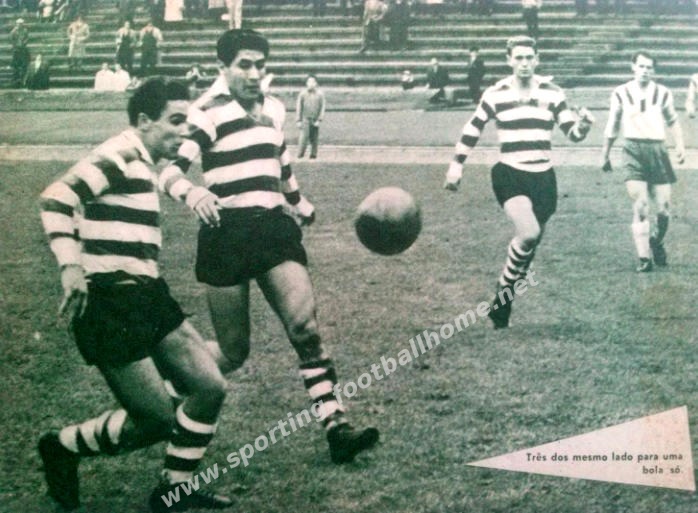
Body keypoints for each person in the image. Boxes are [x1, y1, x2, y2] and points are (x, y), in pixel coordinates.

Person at [159, 29, 379, 464]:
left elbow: (281, 162)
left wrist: (299, 202)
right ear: (223, 67)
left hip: (273, 230)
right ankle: (169, 387)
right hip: (225, 234)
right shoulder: (206, 112)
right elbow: (167, 172)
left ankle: (336, 427)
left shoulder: (274, 107)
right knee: (234, 350)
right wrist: (194, 193)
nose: (254, 73)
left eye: (260, 65)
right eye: (244, 64)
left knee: (306, 329)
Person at [37, 78, 233, 513]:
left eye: (187, 122)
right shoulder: (120, 154)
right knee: (156, 419)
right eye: (175, 121)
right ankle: (62, 446)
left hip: (150, 294)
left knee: (209, 386)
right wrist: (71, 266)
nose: (183, 131)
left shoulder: (144, 162)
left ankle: (174, 489)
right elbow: (56, 199)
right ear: (144, 120)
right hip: (108, 302)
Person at [444, 36, 593, 328]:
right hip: (510, 173)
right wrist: (456, 165)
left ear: (537, 59)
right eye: (519, 58)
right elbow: (473, 128)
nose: (524, 63)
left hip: (544, 178)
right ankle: (503, 293)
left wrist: (584, 124)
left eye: (529, 58)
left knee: (529, 250)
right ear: (509, 60)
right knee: (528, 233)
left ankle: (502, 304)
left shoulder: (553, 93)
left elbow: (572, 133)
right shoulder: (495, 93)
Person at [601, 51, 685, 272]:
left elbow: (673, 121)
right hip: (632, 150)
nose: (645, 71)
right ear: (633, 67)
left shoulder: (663, 93)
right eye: (641, 66)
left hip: (658, 151)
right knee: (641, 205)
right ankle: (644, 258)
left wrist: (680, 145)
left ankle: (656, 241)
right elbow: (613, 124)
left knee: (664, 209)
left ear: (653, 70)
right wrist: (605, 154)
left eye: (649, 67)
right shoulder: (620, 92)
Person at [296, 74, 326, 159]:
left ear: (316, 83)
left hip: (315, 119)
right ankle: (300, 154)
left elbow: (322, 107)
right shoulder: (302, 94)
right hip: (305, 118)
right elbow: (299, 107)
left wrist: (319, 120)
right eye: (309, 82)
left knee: (314, 138)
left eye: (313, 82)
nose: (311, 84)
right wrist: (298, 120)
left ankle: (313, 155)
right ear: (306, 83)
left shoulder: (320, 94)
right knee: (303, 137)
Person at [10, 18, 30, 87]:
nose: (20, 25)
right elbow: (11, 40)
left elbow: (27, 38)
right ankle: (15, 80)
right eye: (18, 24)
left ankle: (23, 80)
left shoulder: (25, 31)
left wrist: (24, 43)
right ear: (16, 24)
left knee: (24, 65)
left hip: (23, 50)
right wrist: (16, 45)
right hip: (16, 50)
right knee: (16, 66)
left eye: (21, 24)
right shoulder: (13, 31)